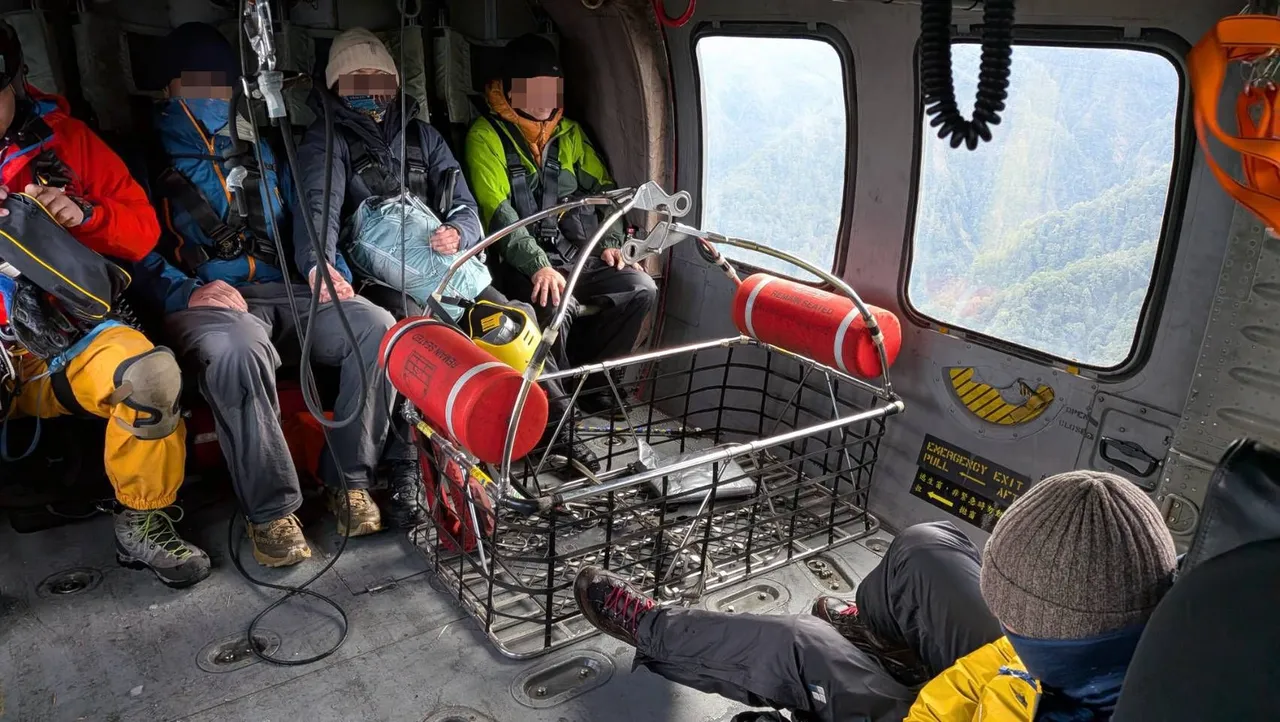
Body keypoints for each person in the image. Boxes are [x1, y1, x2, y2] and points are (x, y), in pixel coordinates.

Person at [132, 23, 426, 569]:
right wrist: (184, 290)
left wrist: (323, 268)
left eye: (219, 83)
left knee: (376, 325)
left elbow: (307, 223)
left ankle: (350, 483)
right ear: (170, 87)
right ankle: (270, 512)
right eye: (197, 83)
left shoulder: (262, 147)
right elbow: (129, 249)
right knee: (242, 348)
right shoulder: (143, 153)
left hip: (285, 289)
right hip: (204, 302)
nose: (211, 94)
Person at [574, 470, 1178, 722]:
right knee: (924, 548)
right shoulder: (1180, 635)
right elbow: (1012, 658)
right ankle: (876, 639)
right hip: (1033, 676)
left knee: (797, 643)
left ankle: (650, 628)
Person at [295, 28, 598, 472]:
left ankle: (558, 433)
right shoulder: (326, 139)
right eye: (356, 79)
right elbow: (317, 208)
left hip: (445, 264)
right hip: (377, 277)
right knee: (419, 341)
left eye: (378, 78)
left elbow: (463, 202)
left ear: (395, 84)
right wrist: (319, 266)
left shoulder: (423, 135)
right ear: (337, 86)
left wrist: (459, 230)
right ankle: (410, 467)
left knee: (512, 324)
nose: (370, 89)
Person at [0, 21, 210, 587]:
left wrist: (85, 217)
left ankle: (143, 522)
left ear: (16, 82)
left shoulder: (66, 142)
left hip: (64, 339)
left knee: (150, 375)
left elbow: (142, 233)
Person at [464, 33, 657, 415]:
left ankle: (595, 386)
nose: (542, 99)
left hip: (576, 252)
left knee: (640, 289)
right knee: (555, 306)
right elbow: (499, 213)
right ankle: (557, 403)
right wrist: (539, 266)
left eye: (550, 89)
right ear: (508, 89)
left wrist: (612, 242)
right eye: (531, 89)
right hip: (520, 261)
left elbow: (608, 193)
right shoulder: (484, 137)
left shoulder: (570, 133)